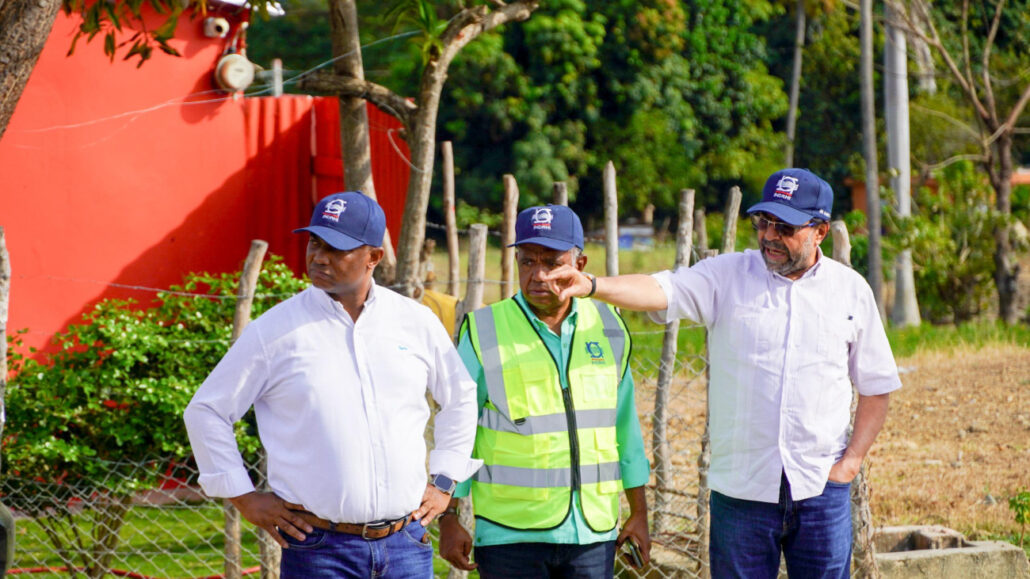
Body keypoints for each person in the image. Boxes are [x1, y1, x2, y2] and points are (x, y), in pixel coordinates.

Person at [541, 169, 903, 579]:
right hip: (742, 491)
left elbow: (877, 387)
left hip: (821, 489)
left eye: (784, 227)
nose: (768, 235)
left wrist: (849, 465)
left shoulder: (850, 290)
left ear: (819, 230)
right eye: (763, 222)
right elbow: (660, 290)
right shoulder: (727, 276)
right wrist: (592, 284)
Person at [183, 191, 482, 579]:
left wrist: (444, 482)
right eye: (314, 243)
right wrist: (244, 496)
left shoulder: (415, 322)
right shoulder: (274, 331)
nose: (319, 257)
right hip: (318, 551)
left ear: (374, 257)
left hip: (406, 544)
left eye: (336, 248)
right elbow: (206, 411)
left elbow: (460, 398)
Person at [439, 205, 652, 578]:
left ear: (580, 263)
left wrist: (639, 512)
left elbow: (625, 428)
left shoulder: (610, 327)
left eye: (551, 263)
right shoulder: (484, 329)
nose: (537, 275)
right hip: (510, 534)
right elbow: (459, 428)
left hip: (592, 532)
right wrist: (450, 517)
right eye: (527, 262)